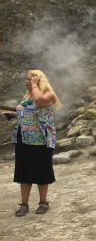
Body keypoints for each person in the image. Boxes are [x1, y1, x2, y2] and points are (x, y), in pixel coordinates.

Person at [5, 70, 61, 217]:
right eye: (26, 79)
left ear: (38, 81)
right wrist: (12, 114)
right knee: (24, 171)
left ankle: (43, 202)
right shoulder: (28, 96)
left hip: (41, 138)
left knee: (41, 170)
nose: (26, 82)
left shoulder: (48, 95)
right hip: (23, 137)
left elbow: (39, 102)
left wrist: (35, 85)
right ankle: (24, 204)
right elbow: (27, 113)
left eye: (29, 79)